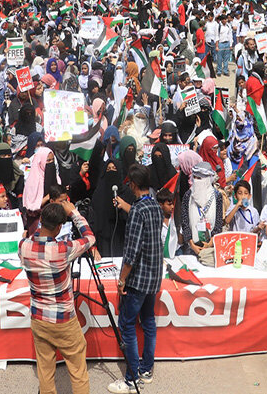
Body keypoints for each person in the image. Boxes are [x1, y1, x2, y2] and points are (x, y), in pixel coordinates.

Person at [19, 197, 96, 394]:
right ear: (60, 227)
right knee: (77, 370)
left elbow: (36, 235)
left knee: (45, 370)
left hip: (38, 317)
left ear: (42, 221)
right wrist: (74, 214)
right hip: (63, 319)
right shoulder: (63, 249)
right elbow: (90, 238)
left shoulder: (24, 246)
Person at [111, 166, 163, 394]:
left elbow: (131, 253)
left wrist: (122, 280)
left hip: (138, 279)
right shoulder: (155, 206)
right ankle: (146, 369)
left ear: (132, 184)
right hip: (153, 276)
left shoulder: (137, 211)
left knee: (127, 324)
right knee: (149, 321)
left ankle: (132, 379)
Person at [156, 187, 179, 258]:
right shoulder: (156, 221)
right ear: (161, 205)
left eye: (172, 204)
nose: (172, 207)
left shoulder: (175, 219)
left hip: (176, 252)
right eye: (169, 204)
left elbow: (180, 241)